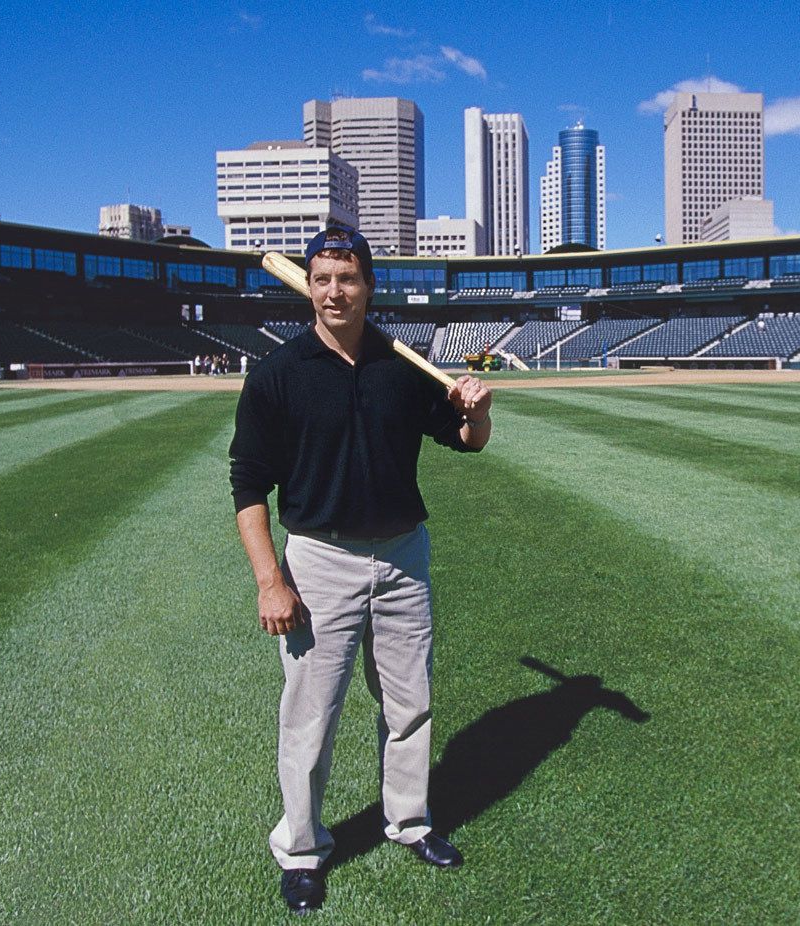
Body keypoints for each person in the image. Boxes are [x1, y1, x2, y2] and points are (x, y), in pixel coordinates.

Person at [229, 225, 492, 915]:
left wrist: (479, 414)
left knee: (409, 703)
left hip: (403, 557)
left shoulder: (401, 365)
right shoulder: (278, 373)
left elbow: (465, 440)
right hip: (319, 561)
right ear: (308, 287)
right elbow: (248, 484)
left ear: (369, 287)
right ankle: (302, 849)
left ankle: (409, 821)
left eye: (347, 278)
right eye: (322, 278)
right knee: (310, 715)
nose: (334, 291)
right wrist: (270, 581)